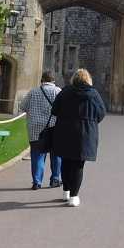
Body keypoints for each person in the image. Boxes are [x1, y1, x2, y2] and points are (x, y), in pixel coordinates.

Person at [50, 68, 106, 207]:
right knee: (78, 165)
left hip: (65, 131)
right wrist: (91, 121)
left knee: (66, 161)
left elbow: (54, 110)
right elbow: (101, 113)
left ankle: (66, 191)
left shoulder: (65, 92)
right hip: (85, 133)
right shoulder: (93, 94)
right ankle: (74, 196)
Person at [19, 71, 62, 190]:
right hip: (54, 127)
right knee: (56, 154)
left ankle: (37, 182)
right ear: (53, 80)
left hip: (36, 128)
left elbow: (22, 107)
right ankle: (55, 179)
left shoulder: (33, 92)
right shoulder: (58, 92)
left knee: (37, 155)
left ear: (42, 80)